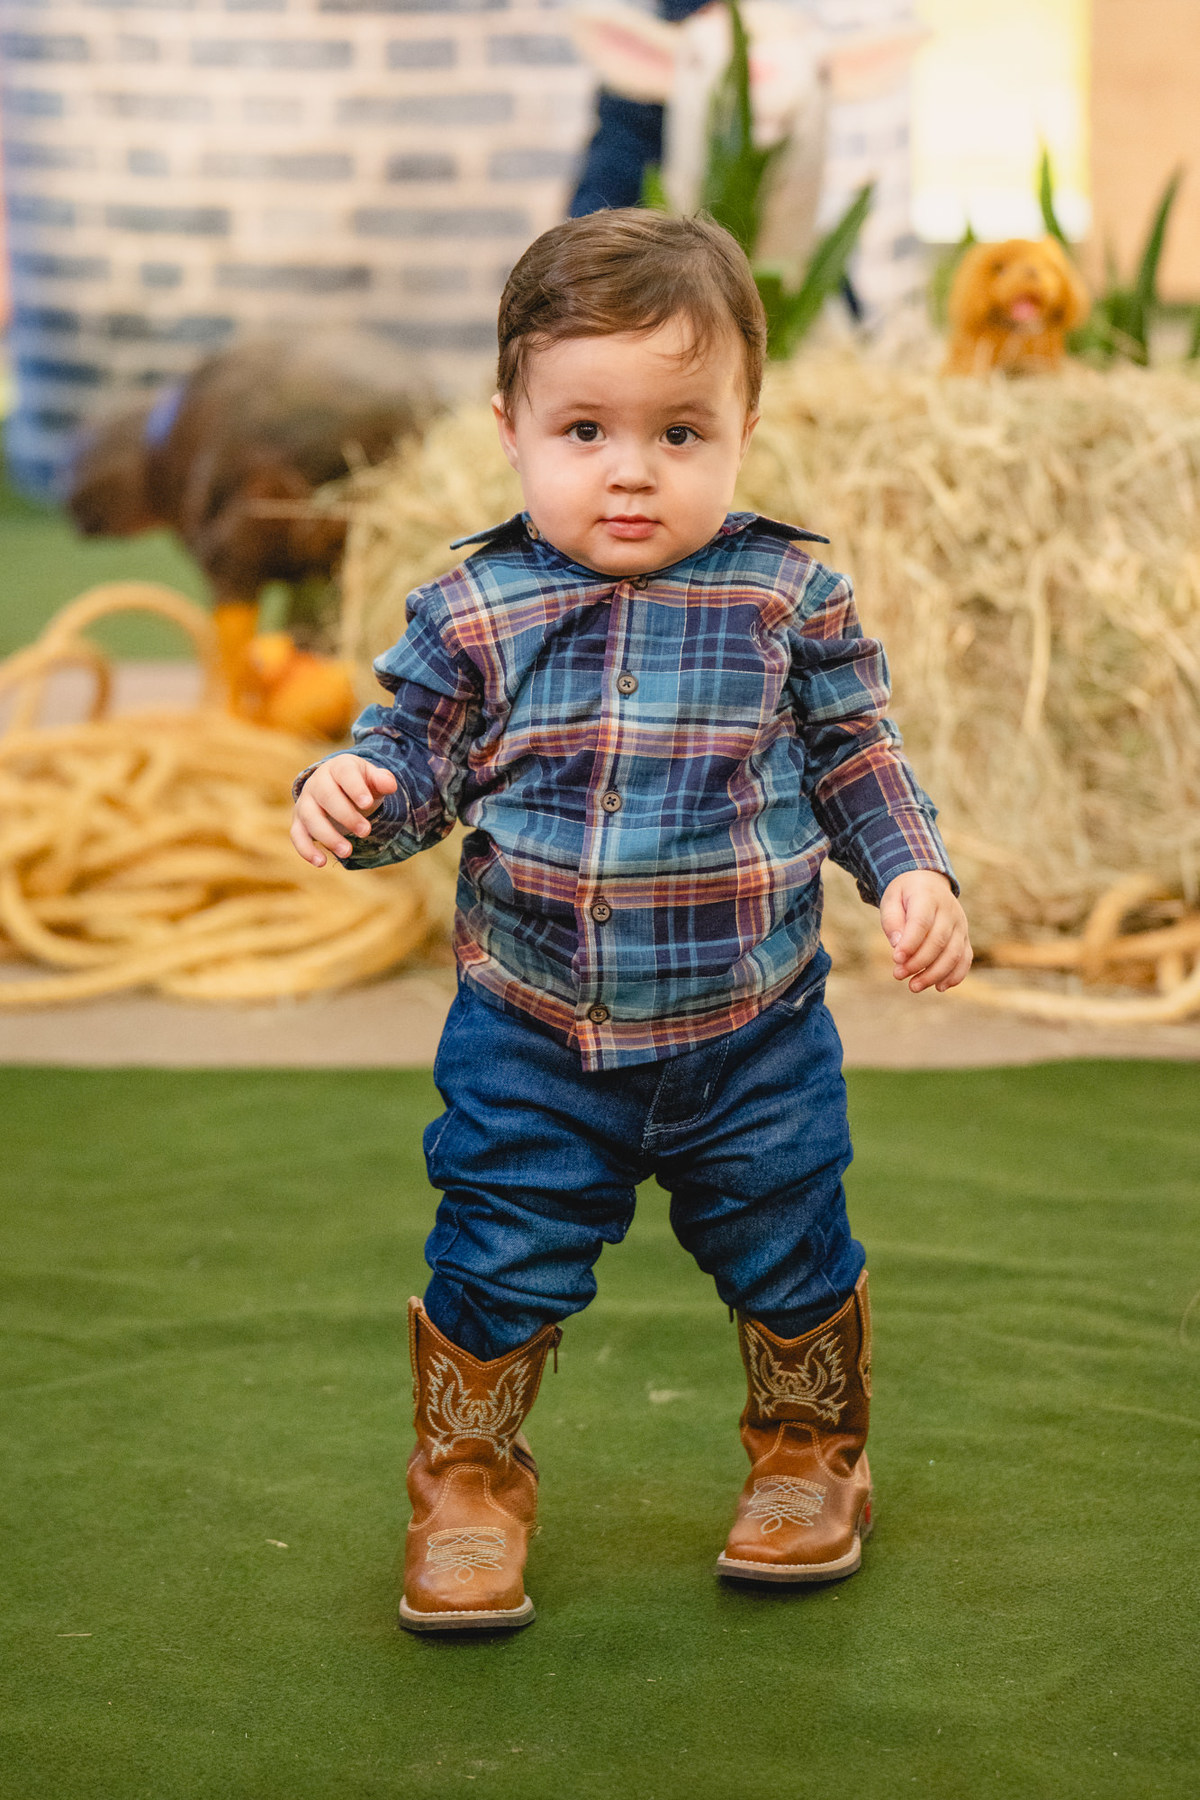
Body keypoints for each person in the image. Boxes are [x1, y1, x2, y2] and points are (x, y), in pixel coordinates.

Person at [290, 209, 972, 1634]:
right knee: (497, 1245)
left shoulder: (787, 595)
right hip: (533, 1034)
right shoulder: (474, 610)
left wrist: (912, 874)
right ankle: (467, 1479)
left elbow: (856, 756)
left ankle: (809, 1454)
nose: (631, 471)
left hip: (753, 1033)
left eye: (681, 433)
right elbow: (414, 771)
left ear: (744, 429)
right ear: (511, 430)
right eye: (586, 430)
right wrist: (353, 794)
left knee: (789, 1239)